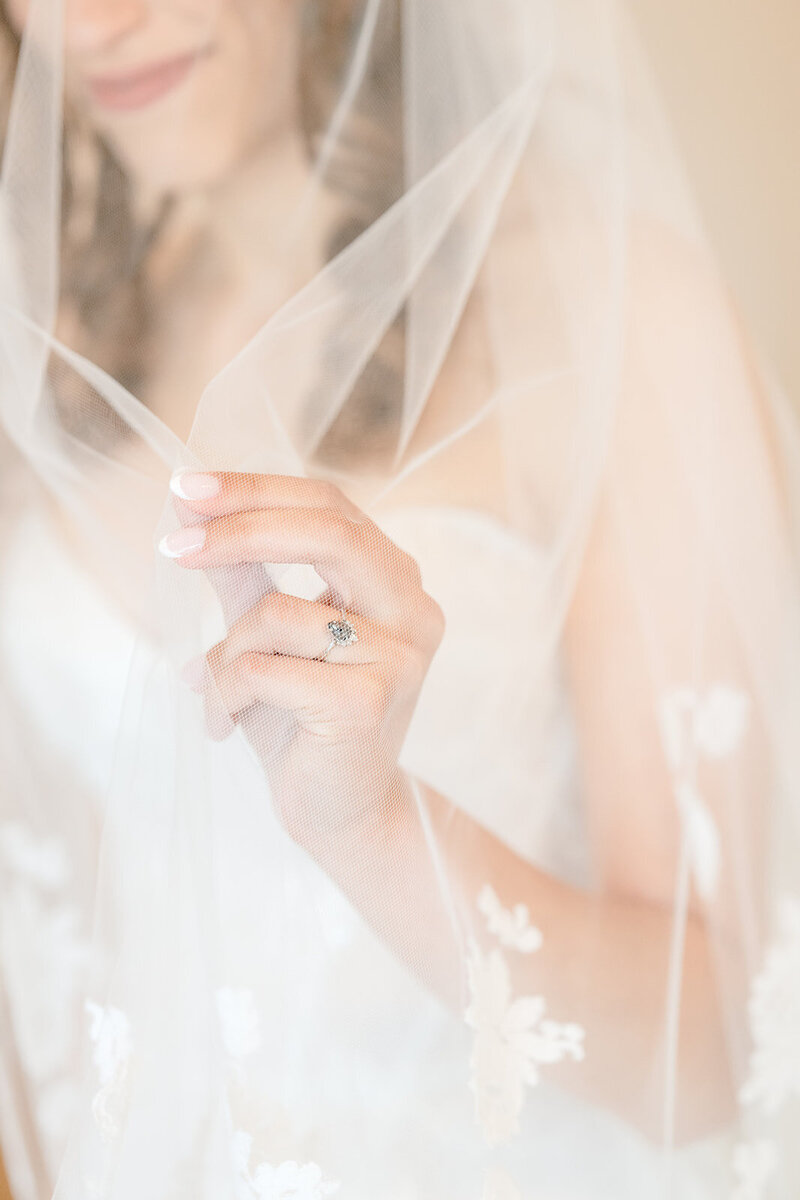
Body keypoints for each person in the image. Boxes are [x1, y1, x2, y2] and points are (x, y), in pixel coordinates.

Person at [0, 2, 797, 1198]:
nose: (102, 19)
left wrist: (371, 828)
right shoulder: (63, 351)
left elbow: (720, 1054)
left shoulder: (603, 312)